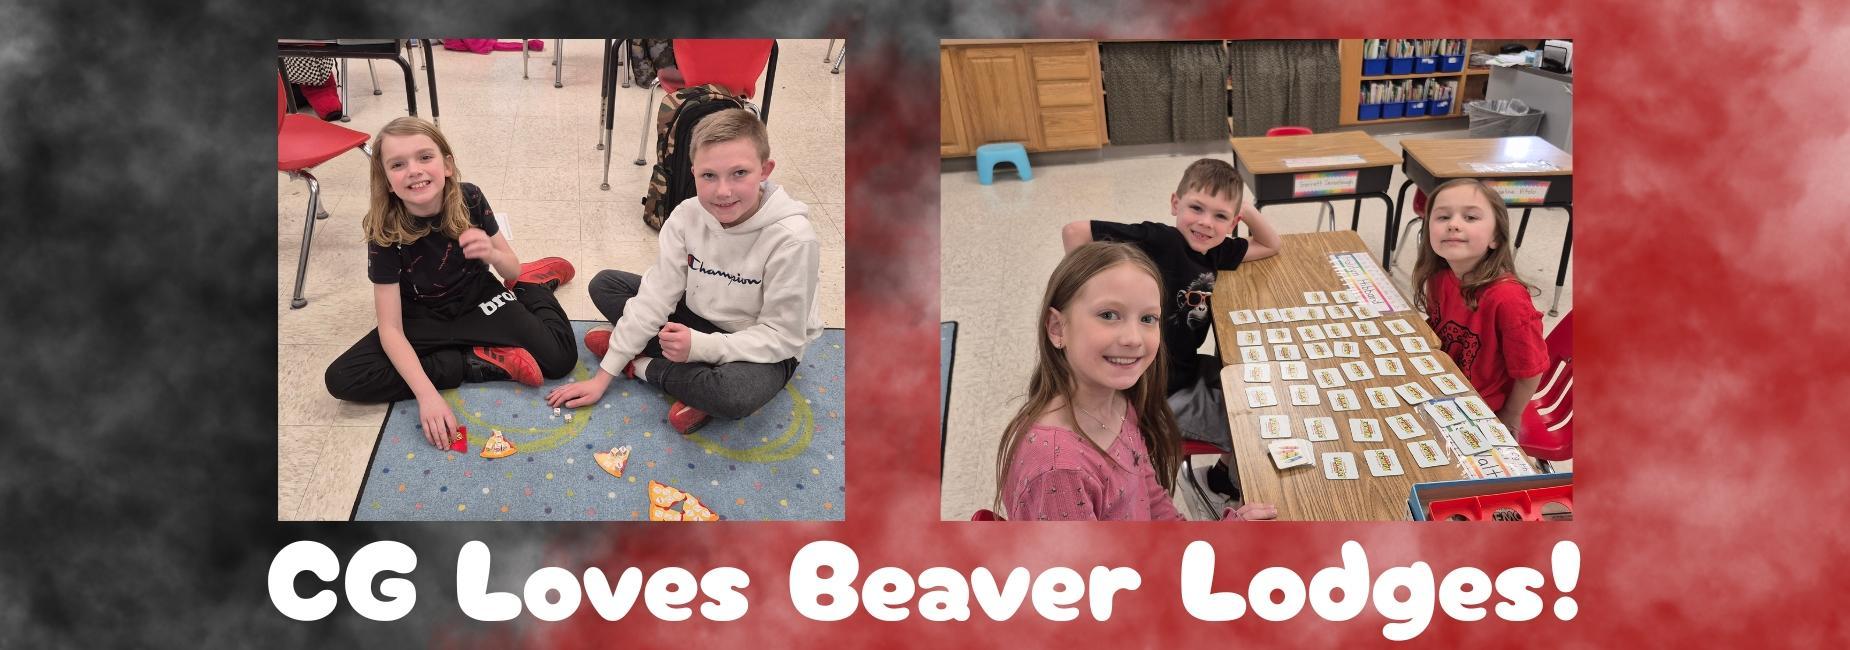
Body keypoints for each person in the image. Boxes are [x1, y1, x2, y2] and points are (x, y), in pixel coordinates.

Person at [545, 108, 822, 434]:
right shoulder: (687, 215)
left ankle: (644, 366)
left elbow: (783, 337)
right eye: (709, 176)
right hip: (696, 318)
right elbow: (656, 296)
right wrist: (603, 376)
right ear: (693, 173)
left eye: (739, 173)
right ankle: (690, 383)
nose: (723, 191)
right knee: (606, 285)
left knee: (732, 396)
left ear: (765, 170)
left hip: (764, 344)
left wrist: (701, 347)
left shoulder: (793, 239)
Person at [324, 117, 578, 449]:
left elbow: (509, 266)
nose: (414, 170)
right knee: (343, 378)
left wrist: (493, 254)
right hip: (424, 318)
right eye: (398, 164)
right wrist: (427, 395)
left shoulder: (470, 198)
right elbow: (390, 329)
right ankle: (472, 362)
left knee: (560, 360)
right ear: (386, 181)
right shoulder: (383, 231)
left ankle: (535, 287)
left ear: (447, 165)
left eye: (424, 157)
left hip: (480, 302)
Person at [995, 242, 1276, 521]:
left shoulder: (1117, 402)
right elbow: (1089, 567)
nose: (1133, 338)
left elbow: (1152, 502)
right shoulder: (1058, 470)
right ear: (1057, 328)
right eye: (1108, 315)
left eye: (1147, 318)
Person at [1059, 158, 1281, 503]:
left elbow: (1270, 245)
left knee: (1258, 388)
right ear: (1175, 204)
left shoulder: (1216, 250)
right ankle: (1239, 489)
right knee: (1255, 429)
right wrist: (1089, 298)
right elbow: (1075, 231)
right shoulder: (1161, 239)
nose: (1206, 223)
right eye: (1196, 208)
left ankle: (1223, 477)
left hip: (1186, 368)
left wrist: (1246, 211)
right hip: (1158, 392)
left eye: (1220, 216)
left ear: (1233, 222)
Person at [1412, 178, 1548, 434]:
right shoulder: (1439, 277)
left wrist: (1511, 415)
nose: (1453, 225)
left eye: (1471, 218)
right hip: (1443, 384)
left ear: (1496, 237)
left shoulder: (1508, 299)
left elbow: (1530, 371)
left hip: (1483, 410)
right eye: (1442, 217)